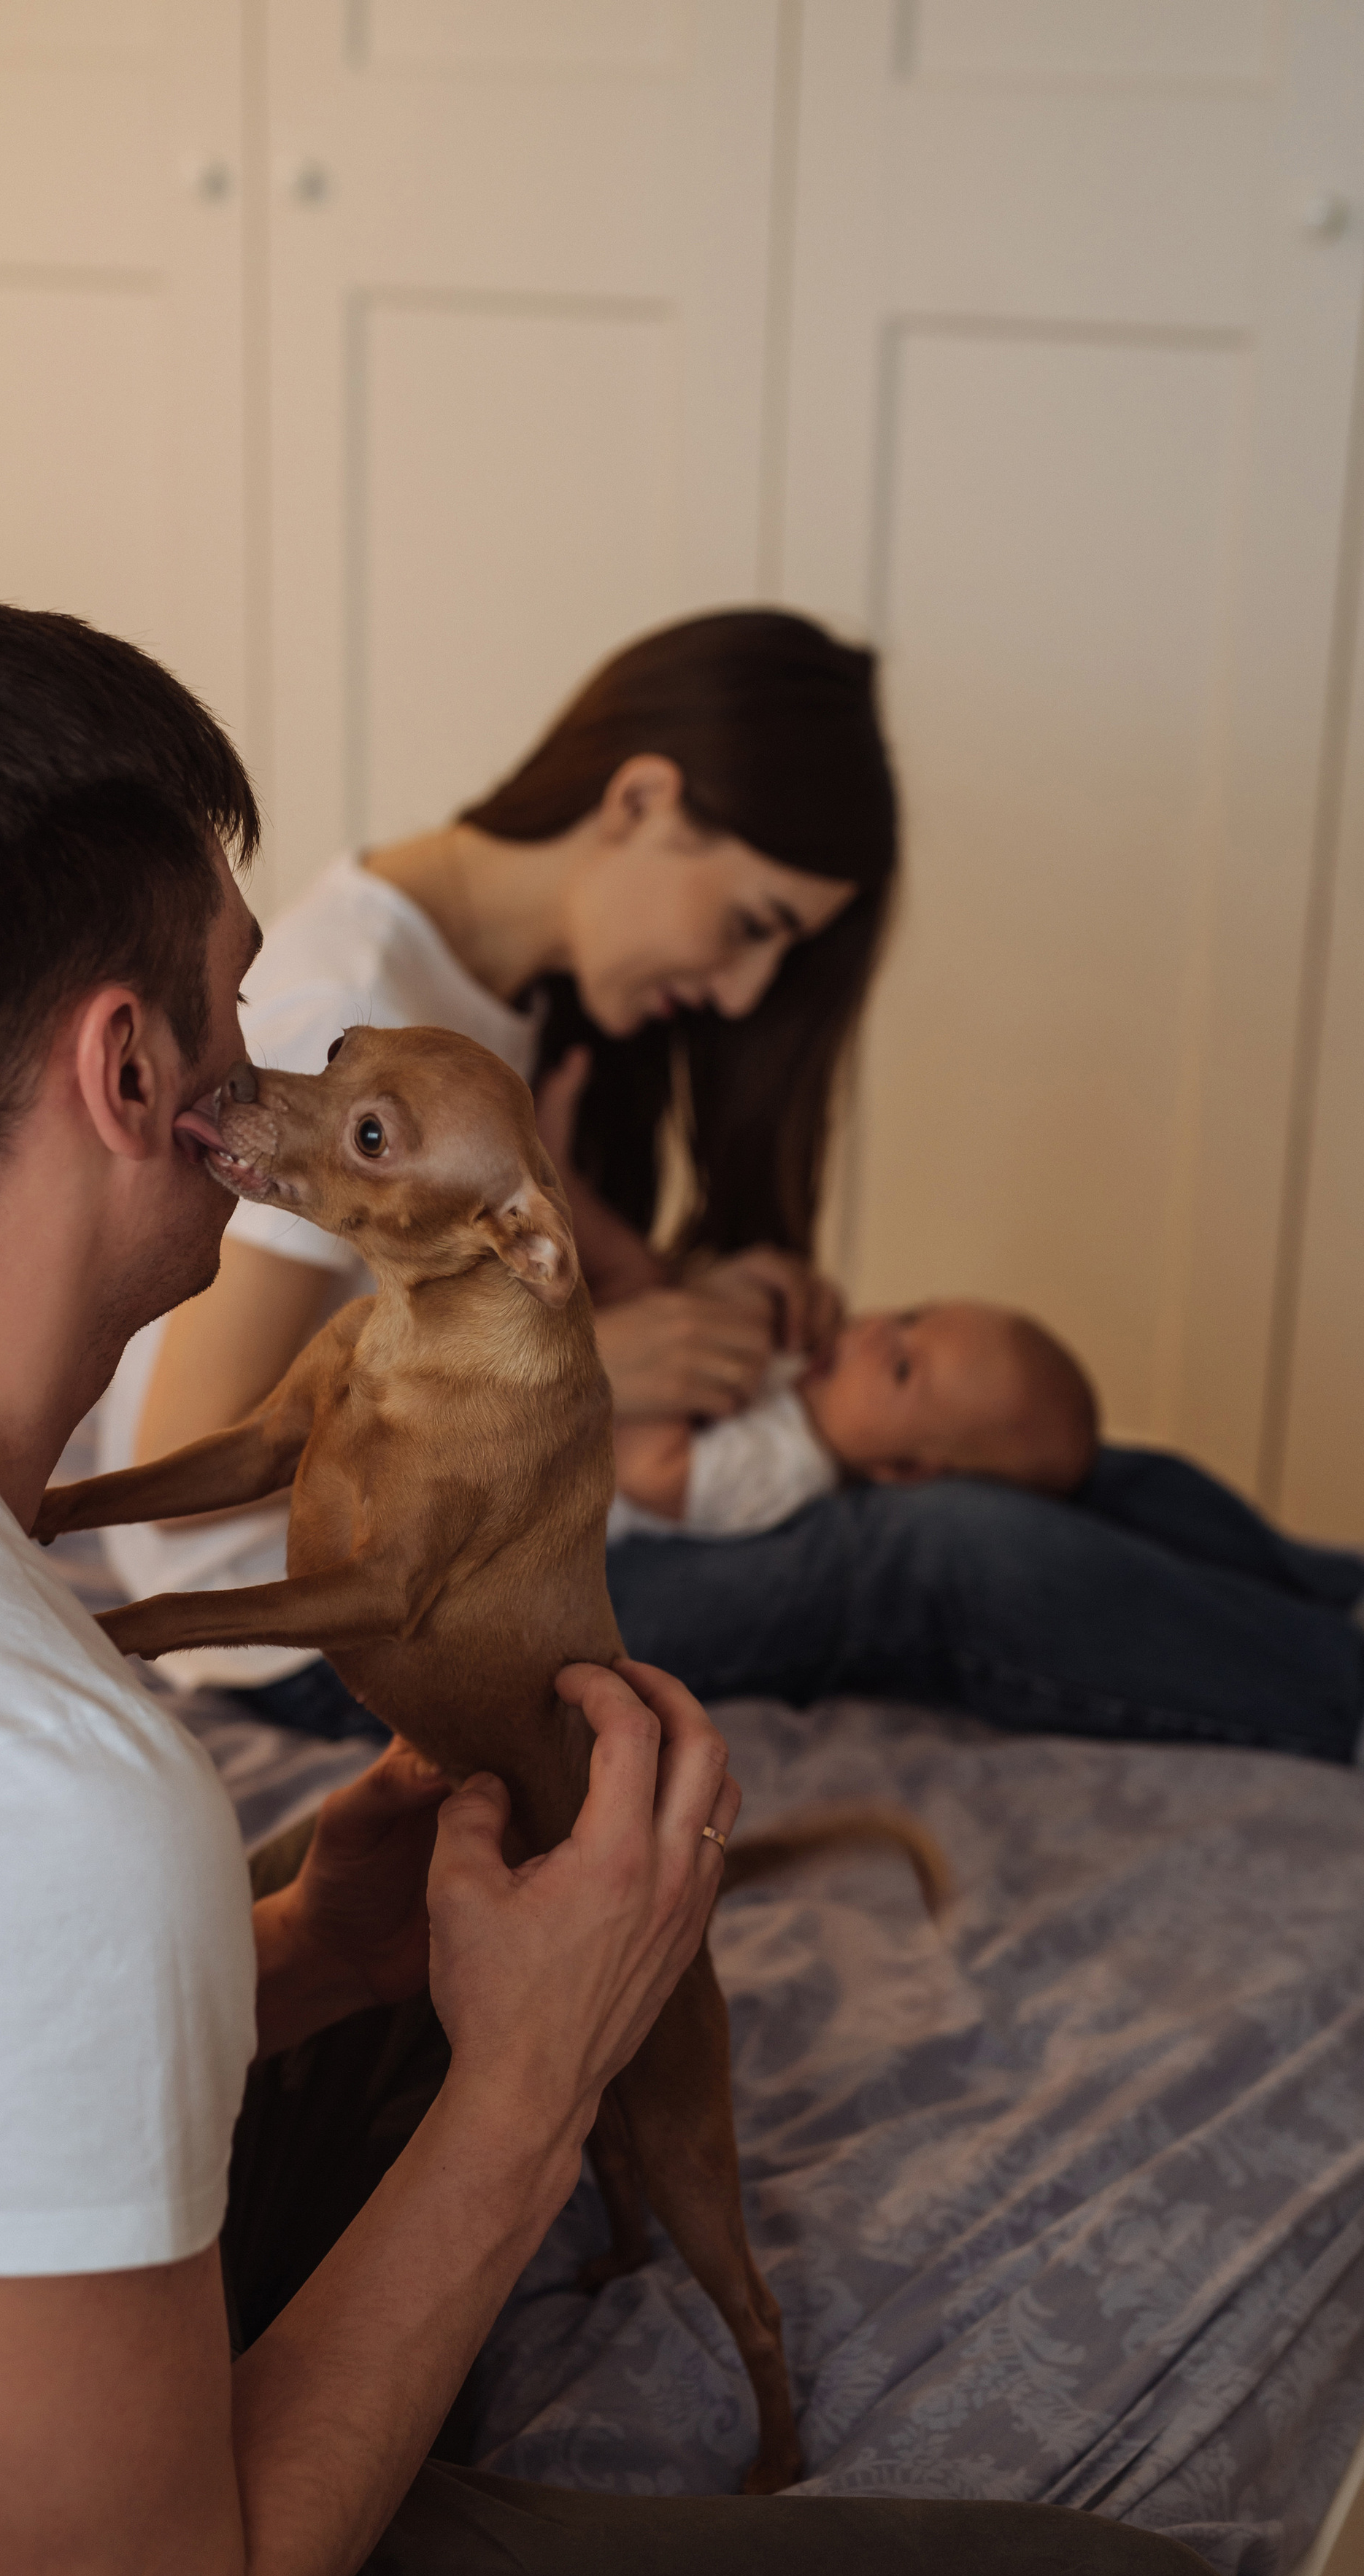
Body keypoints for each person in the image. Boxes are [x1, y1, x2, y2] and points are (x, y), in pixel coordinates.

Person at [0, 600, 1324, 2576]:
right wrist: (531, 2084)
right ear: (130, 1078)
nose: (276, 1060)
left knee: (380, 2010)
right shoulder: (27, 1790)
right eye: (240, 1002)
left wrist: (279, 1962)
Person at [107, 610, 1364, 1765]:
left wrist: (691, 1306)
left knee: (1042, 1439)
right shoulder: (355, 1005)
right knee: (920, 1552)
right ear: (647, 799)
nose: (749, 992)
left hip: (471, 1520)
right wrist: (587, 1383)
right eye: (756, 922)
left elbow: (458, 1271)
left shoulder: (471, 986)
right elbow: (183, 1467)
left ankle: (1333, 1590)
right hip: (337, 1623)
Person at [612, 1296, 1100, 1535]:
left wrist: (678, 1342)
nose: (872, 1332)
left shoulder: (789, 1468)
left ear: (906, 1470)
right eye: (908, 1317)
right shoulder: (808, 1381)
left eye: (901, 1368)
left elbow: (647, 1472)